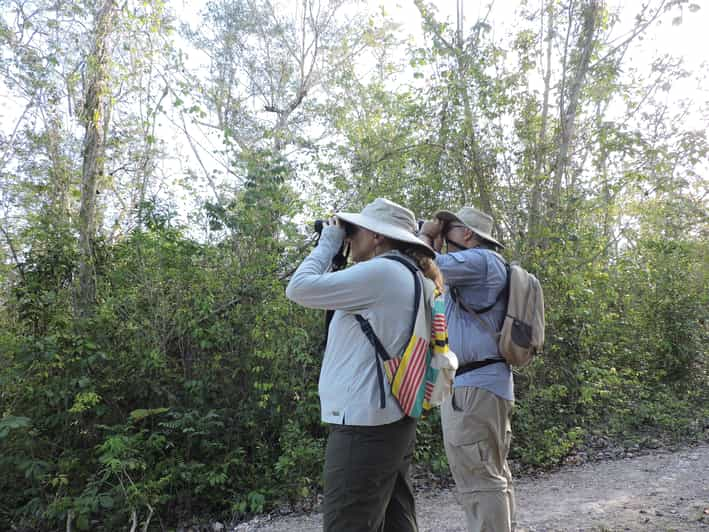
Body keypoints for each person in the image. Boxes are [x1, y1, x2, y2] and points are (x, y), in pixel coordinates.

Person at [286, 197, 443, 532]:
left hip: (364, 425)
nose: (350, 236)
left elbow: (298, 289)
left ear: (377, 236)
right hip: (391, 419)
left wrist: (328, 246)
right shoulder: (411, 274)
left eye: (355, 230)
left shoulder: (383, 272)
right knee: (396, 522)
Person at [418, 207, 515, 532]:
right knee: (492, 473)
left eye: (449, 228)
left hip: (475, 390)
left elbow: (425, 266)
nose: (443, 234)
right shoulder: (482, 265)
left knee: (480, 480)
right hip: (484, 387)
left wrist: (425, 235)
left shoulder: (481, 260)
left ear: (468, 234)